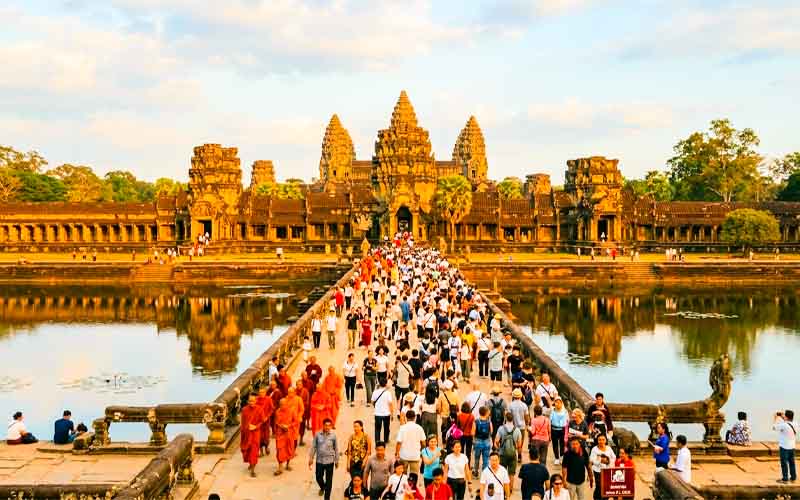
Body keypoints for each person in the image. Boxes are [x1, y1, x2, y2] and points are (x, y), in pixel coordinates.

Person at [310, 418, 339, 500]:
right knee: (318, 477)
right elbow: (314, 447)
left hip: (330, 461)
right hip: (319, 460)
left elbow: (336, 448)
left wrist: (336, 460)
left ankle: (327, 498)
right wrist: (311, 458)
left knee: (329, 481)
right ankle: (323, 487)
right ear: (323, 425)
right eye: (326, 425)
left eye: (329, 425)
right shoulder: (317, 434)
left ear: (331, 426)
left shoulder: (333, 436)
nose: (327, 427)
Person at [240, 394, 265, 477]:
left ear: (256, 401)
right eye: (250, 401)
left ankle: (253, 470)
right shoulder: (244, 410)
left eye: (253, 401)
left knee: (254, 451)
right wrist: (243, 433)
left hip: (255, 433)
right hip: (247, 433)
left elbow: (262, 421)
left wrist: (256, 426)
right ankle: (250, 463)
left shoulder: (260, 409)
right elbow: (243, 423)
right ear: (247, 401)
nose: (251, 402)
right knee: (247, 450)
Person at [396, 410, 427, 476]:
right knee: (414, 476)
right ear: (414, 417)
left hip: (404, 455)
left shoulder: (402, 428)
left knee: (402, 476)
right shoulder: (419, 428)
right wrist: (422, 452)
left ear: (406, 418)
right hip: (415, 455)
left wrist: (397, 453)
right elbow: (423, 443)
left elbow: (399, 442)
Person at [589, 434, 616, 500]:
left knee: (607, 486)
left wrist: (608, 461)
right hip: (598, 471)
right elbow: (592, 460)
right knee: (599, 486)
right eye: (599, 440)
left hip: (607, 471)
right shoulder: (594, 449)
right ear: (597, 441)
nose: (601, 441)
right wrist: (600, 461)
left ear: (605, 440)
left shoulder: (609, 448)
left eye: (603, 439)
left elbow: (614, 457)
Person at [773, 409, 797, 483]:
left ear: (786, 417)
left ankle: (785, 478)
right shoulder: (796, 424)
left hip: (784, 447)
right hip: (792, 446)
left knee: (784, 463)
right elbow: (787, 423)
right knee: (792, 462)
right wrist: (783, 417)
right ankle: (793, 477)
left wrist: (775, 418)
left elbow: (774, 427)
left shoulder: (783, 425)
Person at [275, 398, 297, 475]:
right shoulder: (277, 411)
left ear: (286, 404)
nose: (282, 406)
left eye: (283, 404)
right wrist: (281, 426)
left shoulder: (291, 411)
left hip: (289, 433)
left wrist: (288, 426)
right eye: (280, 404)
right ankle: (280, 466)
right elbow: (276, 422)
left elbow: (295, 421)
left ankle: (287, 464)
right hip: (280, 433)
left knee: (289, 449)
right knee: (279, 449)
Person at [508, 389, 530, 456]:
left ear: (513, 396)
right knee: (521, 442)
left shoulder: (510, 405)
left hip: (513, 427)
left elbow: (509, 416)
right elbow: (526, 416)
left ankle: (514, 455)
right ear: (520, 396)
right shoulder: (524, 405)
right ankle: (519, 455)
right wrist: (527, 424)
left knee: (513, 441)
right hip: (522, 427)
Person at [372, 380, 395, 444]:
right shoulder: (388, 393)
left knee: (377, 429)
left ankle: (377, 441)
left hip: (377, 413)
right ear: (385, 385)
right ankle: (386, 440)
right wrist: (392, 414)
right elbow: (390, 404)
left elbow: (372, 401)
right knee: (386, 428)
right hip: (386, 413)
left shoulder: (375, 392)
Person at [473, 406, 493, 476]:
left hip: (478, 441)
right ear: (486, 413)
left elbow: (473, 432)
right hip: (486, 442)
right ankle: (484, 473)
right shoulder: (489, 422)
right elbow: (492, 431)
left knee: (477, 458)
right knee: (486, 459)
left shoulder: (476, 421)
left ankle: (476, 472)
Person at [255, 385, 275, 456]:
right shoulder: (256, 400)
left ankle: (266, 447)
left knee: (266, 435)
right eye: (260, 392)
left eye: (263, 392)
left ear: (265, 393)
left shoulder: (268, 399)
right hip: (259, 421)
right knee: (259, 436)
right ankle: (261, 451)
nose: (261, 394)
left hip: (266, 420)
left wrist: (267, 416)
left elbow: (272, 409)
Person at [549, 397, 568, 465]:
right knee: (555, 444)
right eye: (556, 402)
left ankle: (562, 456)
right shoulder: (552, 411)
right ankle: (556, 458)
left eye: (559, 402)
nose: (557, 404)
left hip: (562, 429)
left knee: (562, 444)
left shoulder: (565, 411)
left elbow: (567, 421)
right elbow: (549, 421)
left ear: (561, 403)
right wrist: (549, 432)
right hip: (554, 429)